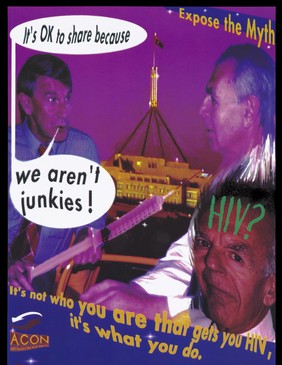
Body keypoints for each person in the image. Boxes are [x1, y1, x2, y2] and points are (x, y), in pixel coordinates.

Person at [80, 43, 275, 320]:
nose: (202, 109)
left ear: (248, 110)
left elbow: (245, 303)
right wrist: (140, 292)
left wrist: (157, 307)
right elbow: (187, 256)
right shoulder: (225, 180)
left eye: (214, 99)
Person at [8, 53, 105, 294]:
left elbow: (91, 223)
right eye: (52, 99)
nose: (65, 110)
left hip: (45, 280)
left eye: (67, 99)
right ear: (27, 103)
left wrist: (87, 237)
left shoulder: (83, 150)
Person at [190, 178, 275, 341]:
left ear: (271, 289)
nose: (211, 262)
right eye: (204, 243)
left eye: (236, 257)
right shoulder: (177, 330)